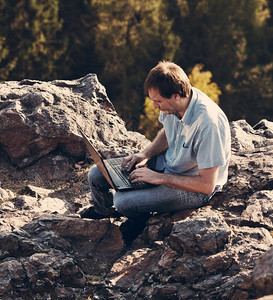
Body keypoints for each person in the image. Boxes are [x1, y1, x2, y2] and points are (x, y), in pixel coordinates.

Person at [80, 61, 231, 221]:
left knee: (123, 202)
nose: (154, 106)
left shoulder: (208, 124)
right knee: (96, 174)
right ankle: (104, 213)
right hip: (170, 164)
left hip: (195, 188)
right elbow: (168, 133)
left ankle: (137, 225)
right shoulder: (174, 103)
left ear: (176, 96)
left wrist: (159, 178)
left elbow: (206, 185)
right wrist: (144, 154)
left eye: (157, 101)